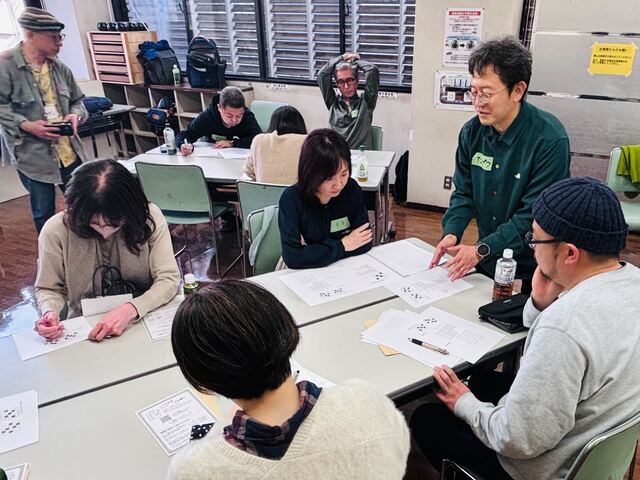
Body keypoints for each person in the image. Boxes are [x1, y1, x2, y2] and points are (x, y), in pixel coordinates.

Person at [411, 176, 640, 480]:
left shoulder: (565, 326)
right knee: (481, 381)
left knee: (426, 417)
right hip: (596, 442)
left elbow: (517, 440)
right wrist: (540, 303)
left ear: (570, 253)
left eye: (536, 240)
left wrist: (464, 403)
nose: (531, 248)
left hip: (538, 467)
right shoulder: (631, 280)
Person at [168, 280, 410, 479]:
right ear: (286, 328)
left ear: (204, 382)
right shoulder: (366, 401)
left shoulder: (195, 470)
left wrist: (219, 428)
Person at [430, 37, 570, 293]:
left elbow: (532, 214)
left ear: (517, 91)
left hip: (538, 256)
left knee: (531, 312)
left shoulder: (549, 139)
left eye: (486, 93)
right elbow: (464, 192)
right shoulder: (472, 133)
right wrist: (452, 232)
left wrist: (482, 249)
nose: (478, 102)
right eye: (474, 92)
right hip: (491, 252)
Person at [34, 159, 180, 342]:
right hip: (85, 327)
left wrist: (131, 309)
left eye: (113, 223)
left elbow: (168, 279)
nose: (104, 230)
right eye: (93, 222)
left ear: (130, 208)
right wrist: (49, 312)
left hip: (145, 317)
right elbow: (48, 288)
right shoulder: (55, 230)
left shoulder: (148, 218)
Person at [0, 7, 88, 233]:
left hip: (68, 151)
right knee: (43, 213)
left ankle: (86, 248)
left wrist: (75, 114)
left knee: (84, 206)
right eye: (53, 37)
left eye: (61, 36)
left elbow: (78, 101)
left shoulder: (60, 68)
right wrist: (26, 125)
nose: (60, 43)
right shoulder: (5, 66)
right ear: (31, 34)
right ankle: (50, 253)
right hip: (33, 155)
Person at [278, 129, 372, 269]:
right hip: (304, 273)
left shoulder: (351, 189)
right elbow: (293, 257)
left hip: (345, 268)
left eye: (343, 174)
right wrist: (343, 245)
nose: (338, 184)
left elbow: (364, 242)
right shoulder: (291, 199)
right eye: (328, 178)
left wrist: (314, 252)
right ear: (310, 173)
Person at [318, 52, 379, 149]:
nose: (346, 87)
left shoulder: (366, 102)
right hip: (338, 153)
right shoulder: (333, 103)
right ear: (337, 85)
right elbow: (322, 75)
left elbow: (372, 70)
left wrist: (355, 61)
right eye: (341, 82)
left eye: (350, 80)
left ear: (357, 81)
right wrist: (342, 57)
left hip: (361, 155)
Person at [176, 86, 261, 153]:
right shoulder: (208, 117)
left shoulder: (247, 116)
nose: (234, 120)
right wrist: (184, 144)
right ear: (219, 108)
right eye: (229, 116)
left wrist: (232, 143)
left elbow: (259, 139)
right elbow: (185, 134)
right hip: (214, 155)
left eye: (239, 116)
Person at [244, 105, 307, 184]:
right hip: (297, 191)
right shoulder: (307, 141)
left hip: (264, 191)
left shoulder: (259, 140)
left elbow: (248, 170)